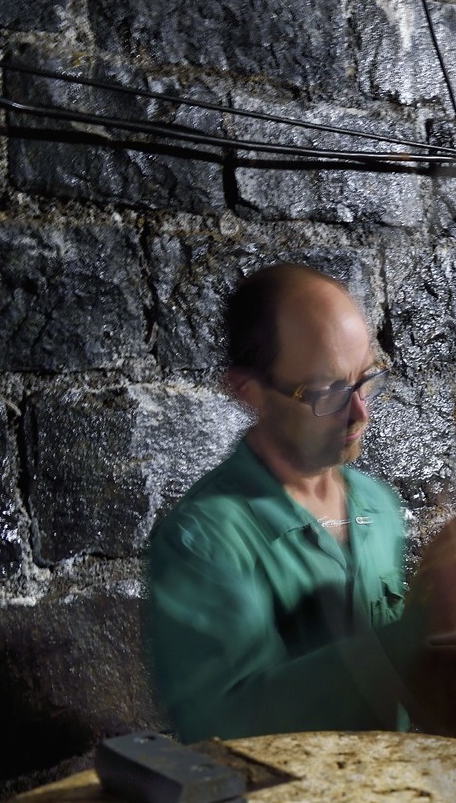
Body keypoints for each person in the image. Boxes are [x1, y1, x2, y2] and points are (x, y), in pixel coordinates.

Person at [144, 263, 428, 741]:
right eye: (327, 391)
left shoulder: (377, 506)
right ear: (249, 391)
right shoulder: (203, 542)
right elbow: (227, 724)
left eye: (365, 379)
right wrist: (411, 639)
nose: (360, 412)